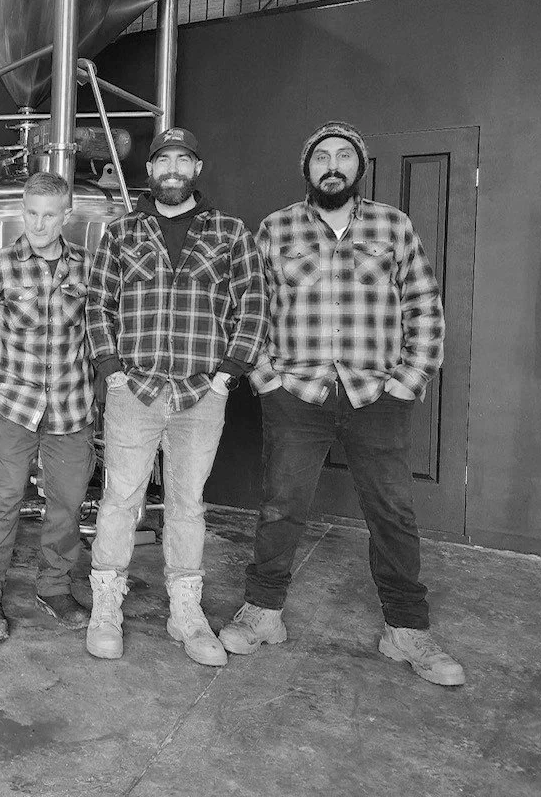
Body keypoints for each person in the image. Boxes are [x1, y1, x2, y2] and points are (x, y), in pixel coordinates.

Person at [220, 121, 464, 686]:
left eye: (343, 157)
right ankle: (263, 613)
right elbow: (248, 308)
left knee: (393, 513)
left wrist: (409, 378)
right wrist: (264, 377)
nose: (332, 165)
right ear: (307, 169)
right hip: (296, 392)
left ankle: (407, 632)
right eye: (321, 157)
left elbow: (424, 305)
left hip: (375, 392)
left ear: (359, 167)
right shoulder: (276, 228)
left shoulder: (392, 226)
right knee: (281, 504)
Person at [85, 127, 268, 665]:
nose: (172, 169)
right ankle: (106, 608)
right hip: (133, 390)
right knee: (120, 499)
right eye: (163, 159)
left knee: (188, 504)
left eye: (183, 160)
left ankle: (185, 613)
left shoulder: (231, 233)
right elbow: (99, 303)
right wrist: (111, 369)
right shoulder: (121, 233)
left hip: (201, 392)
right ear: (151, 170)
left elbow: (251, 304)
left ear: (197, 169)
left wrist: (227, 374)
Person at [0, 172, 97, 640]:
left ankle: (54, 586)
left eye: (49, 215)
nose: (39, 224)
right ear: (23, 210)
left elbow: (100, 334)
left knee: (68, 502)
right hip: (15, 406)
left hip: (70, 406)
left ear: (67, 215)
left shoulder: (88, 268)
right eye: (31, 213)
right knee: (2, 500)